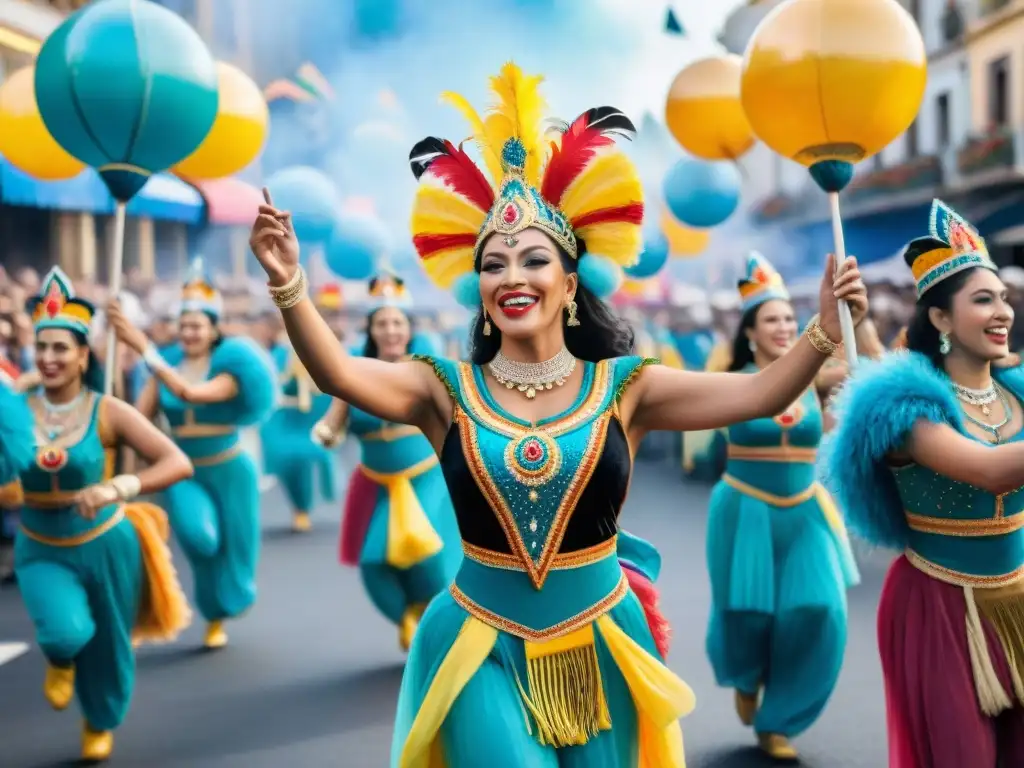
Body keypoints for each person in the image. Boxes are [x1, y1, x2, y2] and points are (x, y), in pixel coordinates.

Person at [248, 63, 868, 767]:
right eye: (493, 264)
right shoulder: (441, 389)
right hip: (478, 638)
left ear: (569, 282)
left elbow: (757, 396)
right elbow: (336, 371)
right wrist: (289, 283)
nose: (512, 276)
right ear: (477, 288)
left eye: (533, 260)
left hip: (600, 634)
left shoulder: (624, 386)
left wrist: (821, 333)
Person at [823, 199, 1024, 767]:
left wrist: (862, 324)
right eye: (983, 300)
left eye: (1003, 298)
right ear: (940, 318)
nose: (1002, 311)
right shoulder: (908, 410)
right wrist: (856, 325)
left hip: (1017, 600)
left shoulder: (1017, 392)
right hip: (938, 607)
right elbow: (985, 470)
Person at [1, 267, 192, 762]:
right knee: (65, 632)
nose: (48, 358)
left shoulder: (108, 410)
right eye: (42, 348)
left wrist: (117, 485)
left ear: (84, 355)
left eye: (61, 348)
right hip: (41, 545)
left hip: (106, 543)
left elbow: (177, 462)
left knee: (109, 646)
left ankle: (98, 721)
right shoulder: (14, 406)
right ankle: (60, 656)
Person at [705, 252, 863, 760]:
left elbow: (866, 377)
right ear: (749, 331)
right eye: (772, 319)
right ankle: (747, 676)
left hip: (806, 512)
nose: (783, 327)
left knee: (818, 610)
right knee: (749, 617)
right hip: (744, 510)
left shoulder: (818, 377)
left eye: (791, 319)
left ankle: (781, 719)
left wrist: (856, 327)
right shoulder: (729, 381)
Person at [105, 258, 277, 650]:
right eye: (183, 326)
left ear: (213, 329)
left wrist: (145, 348)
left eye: (197, 325)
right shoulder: (162, 368)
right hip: (184, 471)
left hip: (231, 471)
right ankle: (210, 609)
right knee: (200, 540)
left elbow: (191, 393)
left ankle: (221, 616)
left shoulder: (231, 364)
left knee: (234, 549)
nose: (190, 332)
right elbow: (137, 421)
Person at [313, 272, 462, 650]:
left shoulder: (428, 369)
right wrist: (326, 433)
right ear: (371, 329)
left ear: (408, 328)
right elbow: (334, 421)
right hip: (377, 482)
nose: (391, 329)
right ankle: (407, 615)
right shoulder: (353, 372)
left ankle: (433, 621)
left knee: (426, 551)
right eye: (382, 323)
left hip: (426, 476)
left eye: (397, 322)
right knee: (374, 563)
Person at [261, 314, 338, 533]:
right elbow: (271, 385)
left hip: (312, 419)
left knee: (309, 459)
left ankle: (304, 505)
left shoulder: (324, 349)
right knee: (288, 464)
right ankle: (299, 506)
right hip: (288, 419)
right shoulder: (279, 355)